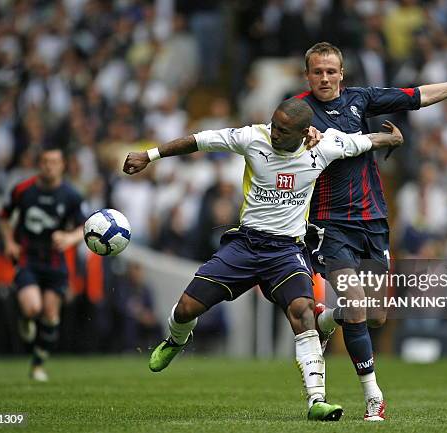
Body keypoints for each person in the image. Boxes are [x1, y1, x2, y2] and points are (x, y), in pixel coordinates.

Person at [122, 97, 403, 421]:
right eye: (274, 124)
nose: (274, 133)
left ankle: (316, 401)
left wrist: (391, 138)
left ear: (304, 132)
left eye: (282, 130)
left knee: (303, 313)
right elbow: (199, 140)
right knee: (186, 309)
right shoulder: (252, 138)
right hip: (244, 245)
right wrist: (150, 154)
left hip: (286, 251)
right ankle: (175, 340)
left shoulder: (324, 146)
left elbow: (363, 142)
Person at [297, 41, 447, 421]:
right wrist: (300, 139)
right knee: (359, 304)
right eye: (318, 72)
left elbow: (419, 96)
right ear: (308, 74)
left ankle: (328, 318)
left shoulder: (359, 99)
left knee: (377, 315)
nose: (325, 78)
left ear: (342, 73)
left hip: (374, 220)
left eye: (331, 71)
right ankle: (374, 398)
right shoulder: (298, 111)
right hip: (330, 224)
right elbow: (277, 138)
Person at [0, 146, 85, 381]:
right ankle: (26, 318)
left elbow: (85, 227)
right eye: (45, 161)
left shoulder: (71, 195)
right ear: (39, 164)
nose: (49, 166)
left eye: (54, 162)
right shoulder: (23, 190)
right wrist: (9, 242)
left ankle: (37, 366)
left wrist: (69, 238)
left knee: (50, 315)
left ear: (62, 165)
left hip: (55, 262)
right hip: (28, 259)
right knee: (32, 308)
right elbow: (4, 216)